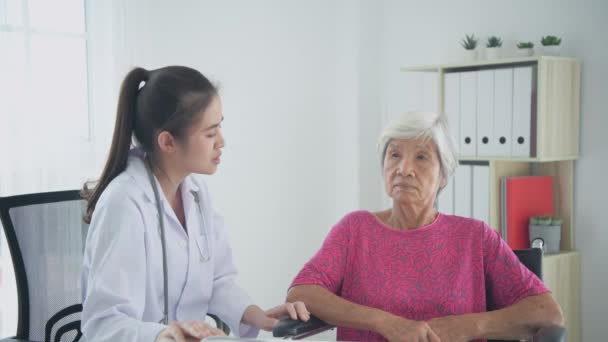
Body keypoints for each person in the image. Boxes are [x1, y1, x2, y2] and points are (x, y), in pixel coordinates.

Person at [287, 111, 563, 342]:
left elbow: (547, 313)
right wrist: (384, 322)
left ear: (443, 174)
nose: (404, 169)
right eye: (394, 155)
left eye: (421, 157)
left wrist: (470, 326)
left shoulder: (474, 237)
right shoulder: (355, 229)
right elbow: (303, 291)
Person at [81, 66, 309, 342]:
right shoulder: (124, 204)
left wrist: (260, 317)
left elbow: (217, 281)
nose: (222, 142)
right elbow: (103, 325)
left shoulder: (196, 192)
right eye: (210, 133)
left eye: (219, 127)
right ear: (167, 142)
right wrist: (162, 334)